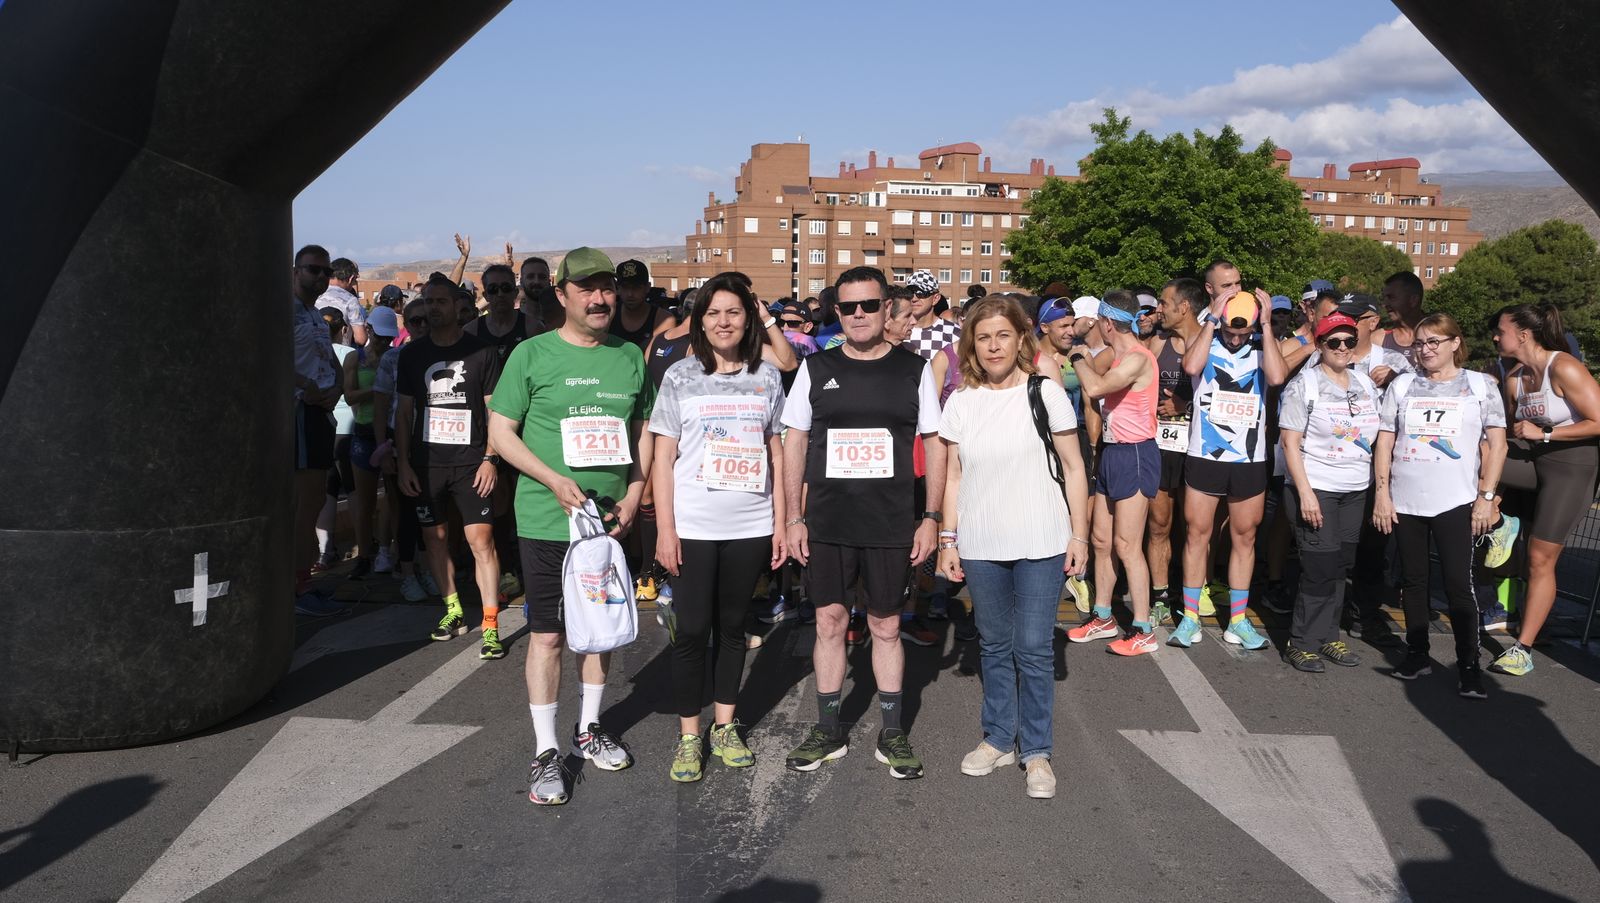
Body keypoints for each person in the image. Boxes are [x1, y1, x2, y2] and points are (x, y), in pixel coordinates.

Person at [487, 247, 654, 806]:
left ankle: (588, 730)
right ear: (561, 296)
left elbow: (642, 433)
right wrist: (553, 480)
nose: (601, 297)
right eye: (586, 288)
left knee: (598, 633)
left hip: (606, 525)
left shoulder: (630, 356)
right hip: (546, 521)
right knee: (549, 635)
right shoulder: (531, 355)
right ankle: (544, 752)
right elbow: (501, 432)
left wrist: (635, 492)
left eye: (606, 287)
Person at [781, 266, 944, 780]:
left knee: (887, 625)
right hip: (827, 520)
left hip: (891, 522)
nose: (857, 315)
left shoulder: (914, 370)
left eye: (868, 306)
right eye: (847, 307)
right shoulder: (816, 367)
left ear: (888, 309)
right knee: (829, 622)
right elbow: (795, 442)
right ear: (837, 311)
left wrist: (932, 517)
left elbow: (937, 446)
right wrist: (792, 517)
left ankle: (892, 732)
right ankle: (828, 729)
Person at [937, 296, 1090, 799]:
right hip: (981, 543)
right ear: (971, 347)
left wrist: (1079, 535)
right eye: (983, 338)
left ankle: (1037, 752)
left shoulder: (1045, 393)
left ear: (1021, 339)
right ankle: (999, 738)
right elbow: (954, 476)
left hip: (1042, 540)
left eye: (1003, 335)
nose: (993, 346)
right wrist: (948, 539)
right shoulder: (960, 402)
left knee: (1034, 649)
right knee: (994, 645)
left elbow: (1074, 469)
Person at [650, 273, 788, 782]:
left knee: (733, 629)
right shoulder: (680, 376)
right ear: (700, 321)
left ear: (747, 319)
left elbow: (775, 451)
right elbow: (663, 458)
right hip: (692, 524)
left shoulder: (767, 376)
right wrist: (665, 529)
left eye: (733, 312)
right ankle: (690, 736)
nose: (724, 322)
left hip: (750, 524)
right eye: (713, 313)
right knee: (690, 632)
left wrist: (780, 521)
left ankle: (724, 726)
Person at [1373, 313, 1507, 698]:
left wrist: (1485, 497)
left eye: (1434, 342)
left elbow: (1498, 445)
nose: (1425, 349)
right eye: (1419, 342)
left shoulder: (1481, 386)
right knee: (1413, 581)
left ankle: (1469, 665)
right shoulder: (1402, 387)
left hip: (1457, 500)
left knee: (1457, 585)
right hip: (1407, 499)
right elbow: (1385, 441)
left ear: (1454, 343)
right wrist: (1382, 493)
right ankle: (1417, 654)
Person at [395, 274, 506, 658]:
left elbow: (496, 411)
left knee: (481, 542)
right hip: (427, 465)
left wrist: (491, 457)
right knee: (435, 540)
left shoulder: (482, 352)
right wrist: (404, 463)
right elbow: (404, 412)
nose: (434, 308)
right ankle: (453, 610)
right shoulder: (411, 354)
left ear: (458, 306)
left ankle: (490, 624)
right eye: (429, 301)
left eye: (442, 301)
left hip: (472, 463)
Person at [1171, 286, 1287, 650]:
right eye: (1230, 331)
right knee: (1197, 534)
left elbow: (1277, 378)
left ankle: (1237, 620)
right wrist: (1211, 319)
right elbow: (1190, 366)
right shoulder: (1209, 341)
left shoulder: (1260, 346)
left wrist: (1266, 327)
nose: (1236, 338)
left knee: (1245, 537)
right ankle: (1190, 618)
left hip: (1249, 460)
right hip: (1206, 454)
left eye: (1243, 332)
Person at [1488, 304, 1600, 677]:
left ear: (1522, 335)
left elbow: (1598, 420)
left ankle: (1524, 649)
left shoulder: (1564, 366)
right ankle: (1499, 519)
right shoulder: (1514, 379)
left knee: (1540, 558)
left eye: (1500, 330)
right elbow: (1506, 437)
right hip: (1535, 461)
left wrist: (1546, 433)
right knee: (1481, 454)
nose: (1494, 336)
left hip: (1573, 465)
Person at [1277, 313, 1380, 673]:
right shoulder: (1303, 385)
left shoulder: (1365, 384)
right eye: (1333, 342)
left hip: (1355, 489)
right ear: (1319, 345)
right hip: (1316, 486)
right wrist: (1305, 494)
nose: (1341, 348)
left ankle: (1328, 635)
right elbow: (1289, 443)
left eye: (1348, 341)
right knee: (1318, 568)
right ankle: (1301, 641)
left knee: (1340, 567)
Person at [1065, 291, 1161, 655]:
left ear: (1106, 323)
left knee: (1127, 546)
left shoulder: (1137, 358)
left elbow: (1094, 386)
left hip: (1136, 454)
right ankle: (1103, 617)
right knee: (1101, 541)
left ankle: (1143, 628)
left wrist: (1078, 354)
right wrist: (1084, 358)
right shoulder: (1115, 354)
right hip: (1112, 452)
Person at [465, 262, 533, 603]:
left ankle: (530, 563)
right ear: (485, 293)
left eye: (507, 288)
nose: (501, 295)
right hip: (488, 427)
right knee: (498, 497)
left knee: (529, 494)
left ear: (515, 289)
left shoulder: (532, 327)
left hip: (531, 426)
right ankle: (507, 565)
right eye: (493, 289)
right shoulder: (472, 332)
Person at [290, 245, 348, 617]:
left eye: (325, 271)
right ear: (296, 270)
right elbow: (266, 359)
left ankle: (303, 583)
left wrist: (337, 386)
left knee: (312, 504)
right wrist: (307, 388)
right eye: (313, 269)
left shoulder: (313, 314)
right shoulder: (282, 311)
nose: (321, 276)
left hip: (321, 415)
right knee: (303, 505)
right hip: (299, 414)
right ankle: (295, 589)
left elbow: (329, 361)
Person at [1145, 278, 1204, 622]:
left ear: (1184, 307)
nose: (1159, 309)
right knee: (1159, 525)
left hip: (1198, 446)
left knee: (1197, 528)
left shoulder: (1208, 343)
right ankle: (1160, 596)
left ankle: (1195, 593)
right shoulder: (1157, 343)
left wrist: (1185, 404)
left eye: (1165, 303)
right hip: (1162, 444)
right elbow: (1139, 386)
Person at [376, 299, 437, 601]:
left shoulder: (443, 357)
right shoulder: (392, 359)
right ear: (407, 325)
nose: (422, 326)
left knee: (432, 511)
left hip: (434, 442)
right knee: (405, 512)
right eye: (415, 321)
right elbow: (381, 406)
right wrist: (384, 450)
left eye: (427, 320)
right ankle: (408, 572)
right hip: (400, 441)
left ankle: (428, 570)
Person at [343, 304, 400, 579]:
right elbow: (350, 396)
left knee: (390, 499)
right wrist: (378, 390)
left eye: (388, 338)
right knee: (364, 502)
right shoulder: (355, 359)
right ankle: (364, 554)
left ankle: (386, 551)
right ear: (368, 331)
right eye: (379, 337)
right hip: (364, 432)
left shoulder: (394, 357)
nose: (383, 342)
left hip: (387, 432)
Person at [610, 259, 672, 349]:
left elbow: (658, 357)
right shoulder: (609, 314)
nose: (630, 294)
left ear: (647, 287)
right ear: (618, 288)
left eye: (636, 287)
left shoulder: (663, 319)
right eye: (625, 287)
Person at [903, 269, 960, 358]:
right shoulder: (897, 330)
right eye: (910, 293)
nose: (914, 299)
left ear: (935, 298)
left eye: (920, 293)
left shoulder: (955, 333)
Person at [316, 257, 367, 347]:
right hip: (340, 355)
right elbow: (360, 339)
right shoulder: (351, 300)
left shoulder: (316, 293)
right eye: (354, 281)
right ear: (351, 279)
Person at [1379, 271, 1425, 367]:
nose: (1385, 304)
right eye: (1385, 298)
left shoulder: (1441, 336)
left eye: (1391, 297)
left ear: (1413, 300)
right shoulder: (1378, 339)